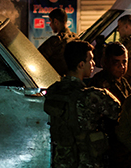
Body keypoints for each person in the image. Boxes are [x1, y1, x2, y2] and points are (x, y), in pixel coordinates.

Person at [44, 40, 121, 168]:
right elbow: (119, 112)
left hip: (61, 161)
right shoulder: (92, 96)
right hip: (86, 162)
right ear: (81, 64)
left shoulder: (52, 91)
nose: (93, 63)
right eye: (90, 59)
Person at [38, 8, 77, 76]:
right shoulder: (75, 38)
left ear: (56, 22)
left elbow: (37, 58)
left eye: (50, 21)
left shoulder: (55, 41)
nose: (50, 25)